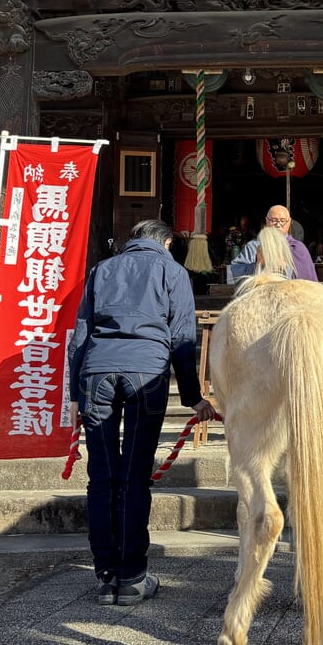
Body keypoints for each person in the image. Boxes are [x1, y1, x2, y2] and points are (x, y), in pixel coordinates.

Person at [68, 219, 216, 606]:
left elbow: (80, 333)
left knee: (101, 477)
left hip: (96, 372)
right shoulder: (172, 270)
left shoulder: (102, 269)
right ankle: (132, 575)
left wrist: (73, 395)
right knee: (135, 475)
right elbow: (182, 336)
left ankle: (105, 576)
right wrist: (193, 397)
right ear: (166, 242)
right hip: (146, 372)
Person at [226, 204, 318, 282]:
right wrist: (258, 265)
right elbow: (235, 271)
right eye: (274, 220)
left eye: (282, 221)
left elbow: (308, 281)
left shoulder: (298, 247)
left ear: (289, 222)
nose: (278, 224)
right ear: (266, 221)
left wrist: (286, 267)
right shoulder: (254, 246)